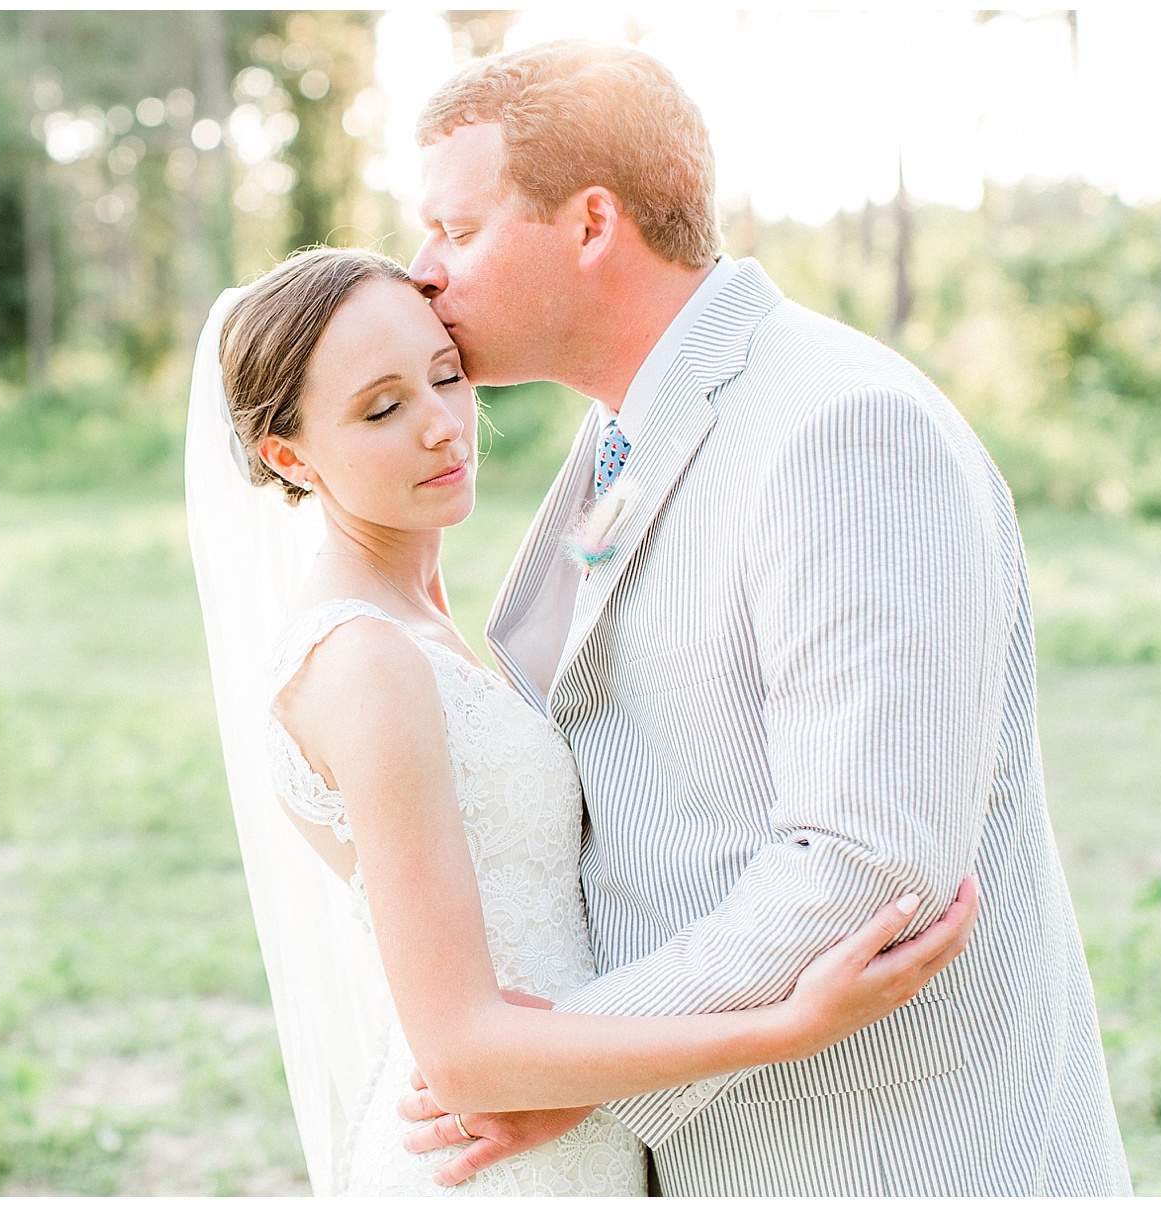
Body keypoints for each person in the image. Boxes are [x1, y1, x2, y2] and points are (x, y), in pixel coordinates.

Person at [388, 40, 1131, 1196]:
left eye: (457, 229)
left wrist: (577, 1056)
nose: (423, 270)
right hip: (719, 1145)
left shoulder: (841, 429)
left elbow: (861, 859)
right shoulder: (632, 427)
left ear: (592, 224)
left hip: (874, 1149)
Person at [186, 245, 979, 1196]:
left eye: (447, 377)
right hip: (499, 1160)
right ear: (288, 456)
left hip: (572, 1126)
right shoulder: (365, 662)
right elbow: (464, 1056)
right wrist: (789, 1026)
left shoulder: (420, 611)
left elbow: (602, 596)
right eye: (383, 407)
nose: (444, 428)